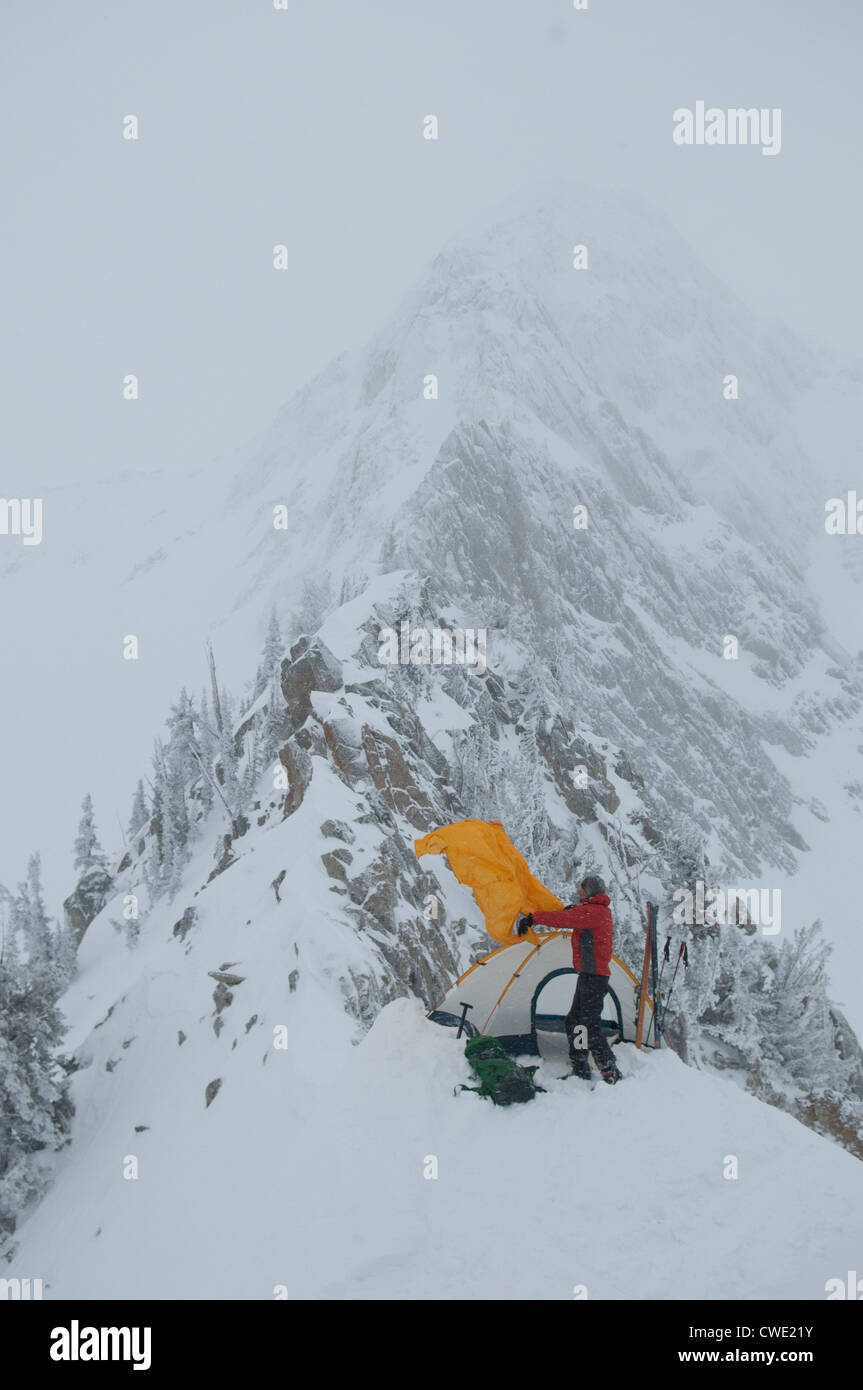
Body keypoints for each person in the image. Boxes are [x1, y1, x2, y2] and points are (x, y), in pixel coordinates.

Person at [517, 875, 622, 1084]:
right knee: (575, 1021)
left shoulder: (595, 913)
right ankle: (580, 1064)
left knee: (589, 1024)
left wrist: (533, 918)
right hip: (589, 975)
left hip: (595, 977)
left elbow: (564, 920)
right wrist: (573, 910)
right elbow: (574, 916)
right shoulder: (592, 911)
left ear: (590, 891)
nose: (578, 891)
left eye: (582, 889)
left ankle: (609, 1069)